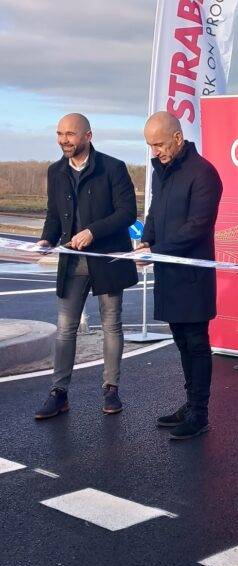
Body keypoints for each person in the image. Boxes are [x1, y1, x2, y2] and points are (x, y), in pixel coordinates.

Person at [34, 113, 138, 420]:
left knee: (111, 326)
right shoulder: (55, 171)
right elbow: (54, 214)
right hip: (72, 262)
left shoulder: (113, 168)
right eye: (59, 134)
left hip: (107, 261)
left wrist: (93, 231)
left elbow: (127, 213)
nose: (63, 140)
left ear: (88, 136)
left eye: (70, 134)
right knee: (65, 329)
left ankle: (111, 389)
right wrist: (46, 239)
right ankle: (59, 393)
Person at [135, 111, 222, 440]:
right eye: (150, 145)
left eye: (159, 144)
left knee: (197, 343)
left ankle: (200, 413)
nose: (155, 151)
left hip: (193, 275)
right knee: (182, 342)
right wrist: (146, 240)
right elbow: (155, 211)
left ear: (177, 137)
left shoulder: (204, 173)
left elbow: (198, 226)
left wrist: (157, 250)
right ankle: (190, 403)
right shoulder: (161, 171)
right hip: (169, 273)